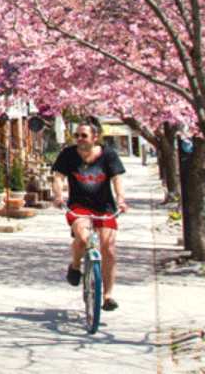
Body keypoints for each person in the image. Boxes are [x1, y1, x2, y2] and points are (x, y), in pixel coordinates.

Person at [52, 116, 128, 312]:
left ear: (96, 137)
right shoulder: (68, 155)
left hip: (105, 207)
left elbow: (117, 179)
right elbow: (58, 177)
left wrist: (121, 199)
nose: (79, 139)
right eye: (76, 135)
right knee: (83, 238)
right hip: (79, 206)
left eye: (84, 135)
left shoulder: (108, 155)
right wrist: (58, 196)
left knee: (109, 248)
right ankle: (76, 266)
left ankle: (108, 296)